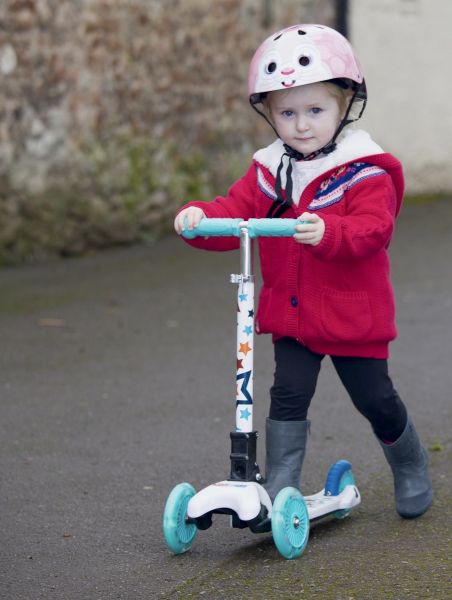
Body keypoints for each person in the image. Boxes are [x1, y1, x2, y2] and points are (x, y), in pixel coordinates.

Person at [174, 24, 432, 519]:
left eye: (316, 111)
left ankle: (410, 463)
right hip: (293, 318)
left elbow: (375, 228)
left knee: (375, 398)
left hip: (352, 315)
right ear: (270, 115)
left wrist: (330, 232)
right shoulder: (269, 171)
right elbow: (235, 215)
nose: (302, 125)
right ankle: (280, 484)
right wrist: (199, 219)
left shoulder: (365, 170)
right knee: (287, 395)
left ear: (345, 107)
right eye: (287, 113)